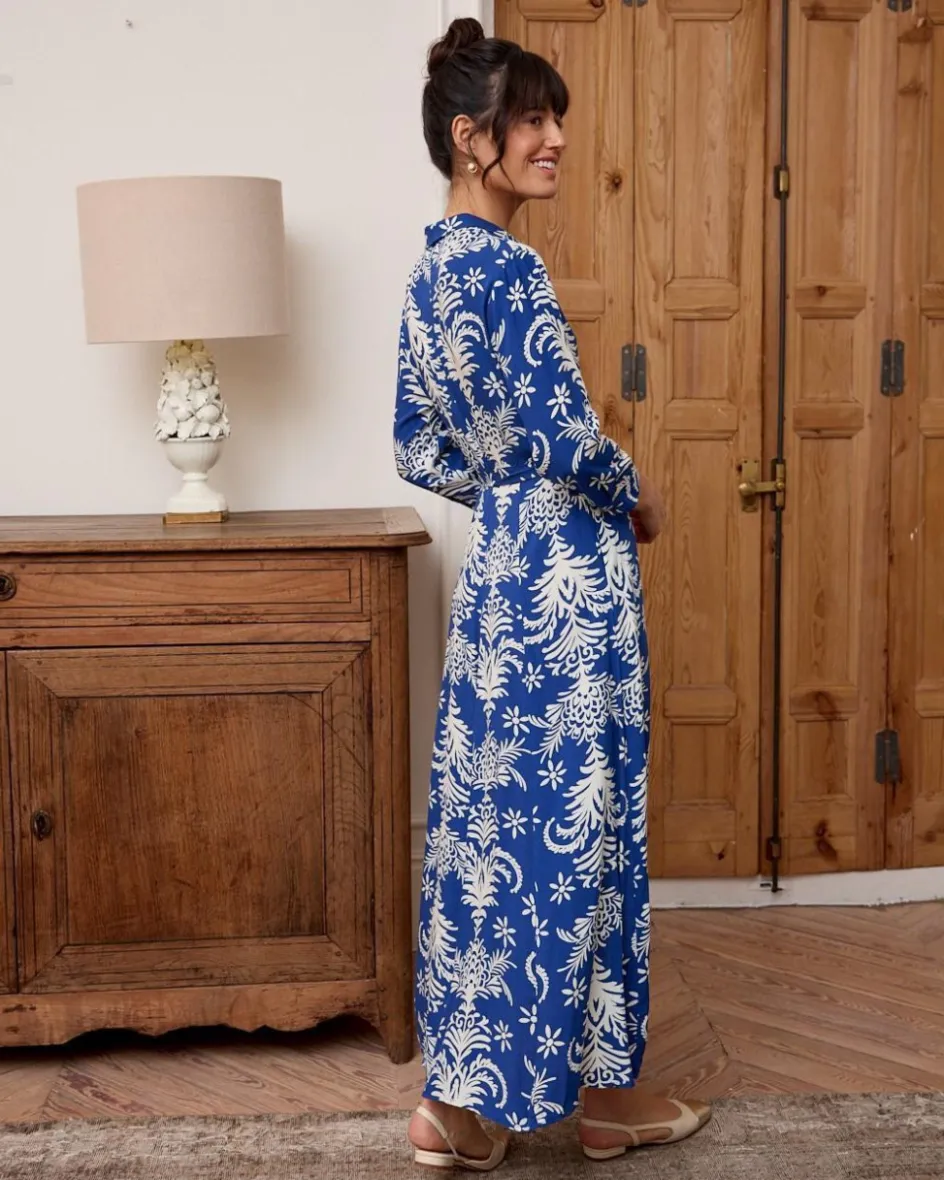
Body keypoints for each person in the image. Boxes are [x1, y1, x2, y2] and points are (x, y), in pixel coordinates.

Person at [393, 18, 710, 1170]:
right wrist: (638, 493)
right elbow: (569, 439)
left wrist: (506, 497)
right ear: (468, 136)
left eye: (554, 118)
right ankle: (603, 1100)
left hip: (496, 582)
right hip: (568, 582)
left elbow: (415, 447)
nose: (555, 138)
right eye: (530, 119)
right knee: (584, 825)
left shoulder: (428, 273)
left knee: (491, 827)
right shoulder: (508, 268)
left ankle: (457, 1105)